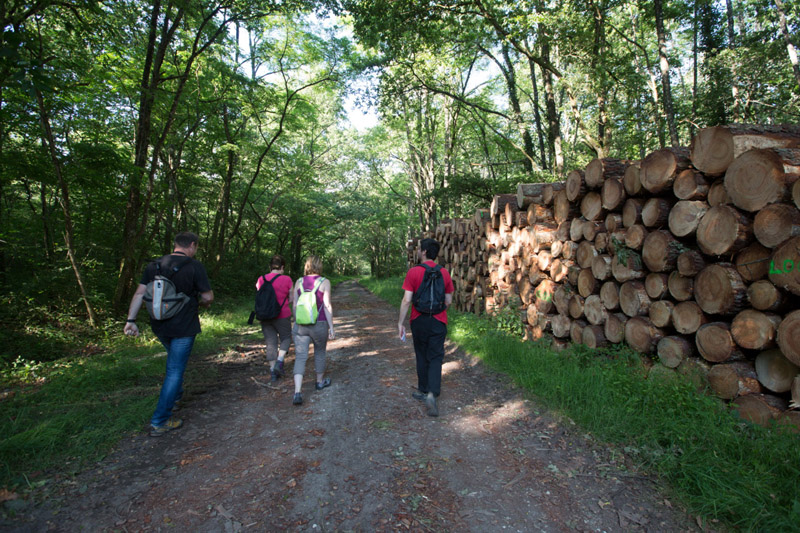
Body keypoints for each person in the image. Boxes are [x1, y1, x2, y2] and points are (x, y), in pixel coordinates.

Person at [123, 232, 214, 437]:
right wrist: (204, 303)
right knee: (174, 370)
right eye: (196, 247)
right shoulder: (194, 266)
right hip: (184, 326)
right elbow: (208, 296)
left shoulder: (154, 265)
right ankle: (160, 420)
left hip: (159, 325)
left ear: (175, 245)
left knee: (174, 364)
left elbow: (139, 293)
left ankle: (175, 397)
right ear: (192, 245)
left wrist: (131, 321)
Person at [397, 238, 454, 417]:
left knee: (421, 354)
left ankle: (423, 389)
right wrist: (439, 312)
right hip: (438, 321)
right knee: (436, 356)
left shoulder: (413, 272)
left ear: (423, 252)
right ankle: (432, 393)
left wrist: (400, 323)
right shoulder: (444, 273)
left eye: (420, 248)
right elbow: (449, 300)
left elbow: (407, 300)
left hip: (419, 320)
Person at [291, 255, 335, 406]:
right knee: (320, 352)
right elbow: (327, 305)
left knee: (300, 356)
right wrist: (332, 327)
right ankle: (319, 382)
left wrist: (297, 321)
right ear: (319, 266)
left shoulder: (298, 282)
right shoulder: (324, 282)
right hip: (319, 323)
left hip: (301, 325)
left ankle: (297, 391)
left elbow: (295, 305)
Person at [256, 255, 293, 382]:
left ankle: (272, 372)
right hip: (282, 314)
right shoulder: (287, 279)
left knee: (270, 342)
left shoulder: (261, 279)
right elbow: (292, 298)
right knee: (286, 338)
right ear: (282, 267)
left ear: (270, 266)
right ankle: (280, 361)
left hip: (265, 315)